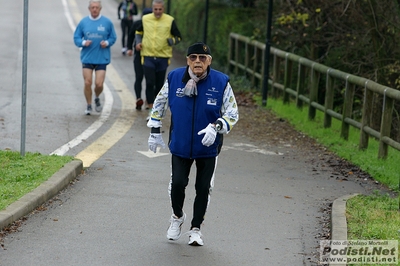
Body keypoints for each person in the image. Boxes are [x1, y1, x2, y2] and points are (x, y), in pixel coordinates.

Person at [146, 42, 239, 246]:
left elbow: (233, 113)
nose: (198, 61)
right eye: (193, 57)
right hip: (180, 143)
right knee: (177, 184)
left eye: (202, 58)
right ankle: (177, 216)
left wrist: (217, 126)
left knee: (203, 188)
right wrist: (154, 128)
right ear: (187, 60)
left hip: (208, 145)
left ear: (209, 61)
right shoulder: (174, 78)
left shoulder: (221, 82)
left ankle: (196, 229)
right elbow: (159, 102)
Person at [134, 0, 182, 117]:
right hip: (148, 55)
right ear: (152, 9)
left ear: (163, 9)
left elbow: (179, 37)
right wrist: (138, 42)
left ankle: (156, 104)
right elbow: (138, 31)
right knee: (150, 82)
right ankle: (151, 108)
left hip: (163, 56)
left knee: (159, 84)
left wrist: (172, 41)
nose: (158, 12)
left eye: (160, 9)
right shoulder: (145, 19)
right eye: (155, 9)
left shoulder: (169, 20)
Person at [73, 0, 117, 115]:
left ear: (100, 8)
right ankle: (88, 105)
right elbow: (76, 37)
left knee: (99, 84)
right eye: (92, 7)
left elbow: (113, 37)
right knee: (87, 82)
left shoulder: (107, 22)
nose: (94, 9)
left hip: (101, 58)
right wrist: (83, 43)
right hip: (87, 57)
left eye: (97, 7)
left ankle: (97, 96)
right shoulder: (84, 22)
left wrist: (107, 43)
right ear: (89, 8)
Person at [127, 8, 153, 110]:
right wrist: (130, 48)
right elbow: (130, 36)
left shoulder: (153, 26)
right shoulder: (138, 24)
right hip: (139, 54)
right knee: (140, 77)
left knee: (147, 79)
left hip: (150, 55)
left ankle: (147, 99)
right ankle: (140, 99)